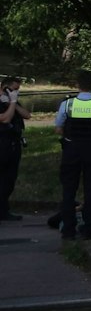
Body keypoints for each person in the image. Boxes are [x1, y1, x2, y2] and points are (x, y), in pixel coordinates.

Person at [50, 72, 91, 239]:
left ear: (77, 84)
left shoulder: (67, 104)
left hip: (71, 149)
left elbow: (58, 128)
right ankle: (89, 229)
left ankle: (68, 230)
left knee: (68, 190)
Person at [0, 75, 29, 220]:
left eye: (18, 90)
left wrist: (14, 101)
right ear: (4, 87)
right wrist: (11, 103)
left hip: (14, 145)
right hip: (2, 144)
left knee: (9, 180)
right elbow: (5, 119)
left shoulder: (13, 101)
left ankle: (4, 211)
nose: (15, 92)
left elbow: (27, 115)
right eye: (13, 89)